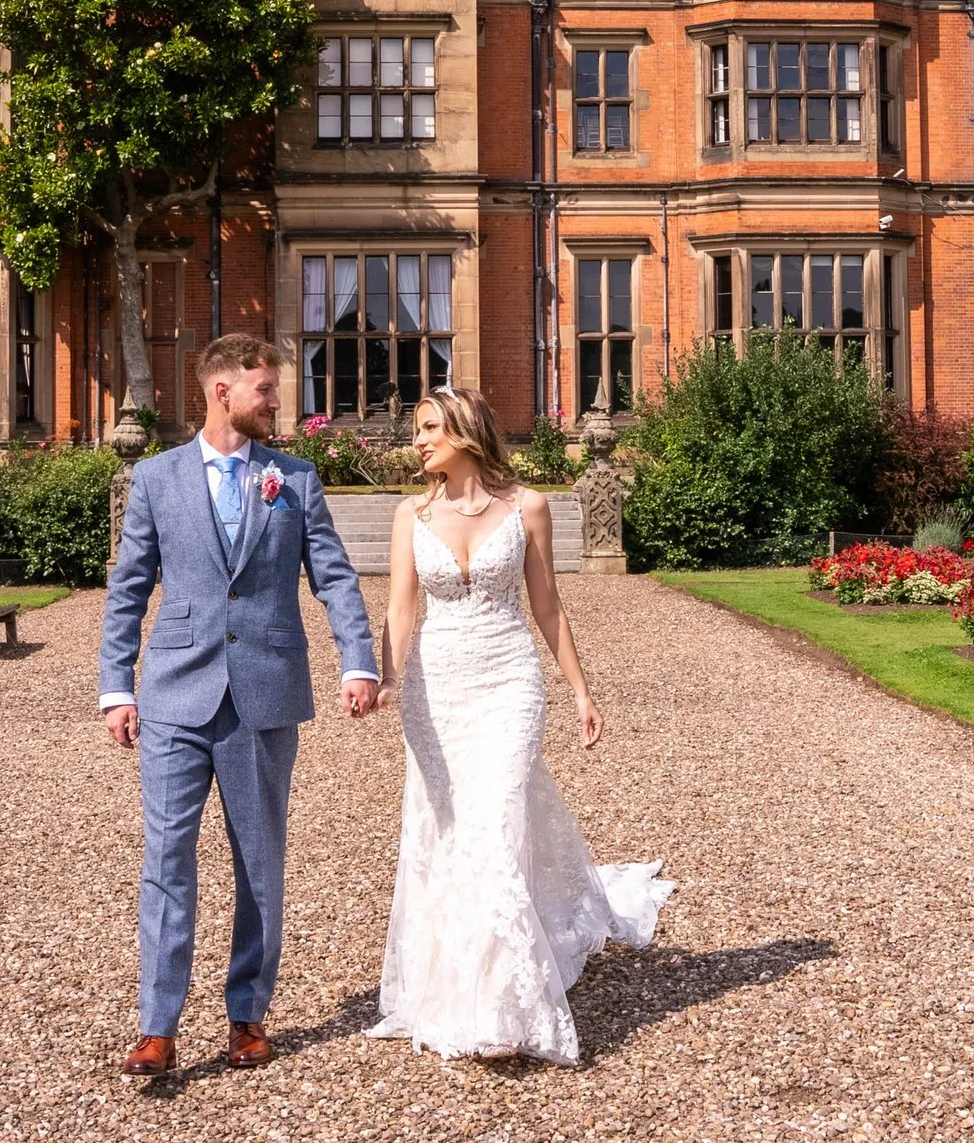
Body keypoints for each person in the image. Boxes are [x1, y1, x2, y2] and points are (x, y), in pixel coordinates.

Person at [98, 333, 382, 1077]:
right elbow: (128, 589)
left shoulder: (295, 479)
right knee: (166, 858)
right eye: (266, 390)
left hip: (264, 691)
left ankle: (247, 1015)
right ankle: (157, 1026)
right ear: (222, 391)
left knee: (259, 862)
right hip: (173, 694)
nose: (278, 402)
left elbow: (335, 576)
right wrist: (116, 687)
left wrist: (358, 659)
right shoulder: (156, 479)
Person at [365, 386, 673, 1065]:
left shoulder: (527, 507)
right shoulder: (410, 516)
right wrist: (386, 679)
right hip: (436, 691)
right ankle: (456, 987)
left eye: (427, 429)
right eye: (417, 431)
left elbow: (549, 606)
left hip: (509, 682)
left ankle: (503, 1006)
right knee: (454, 835)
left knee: (498, 829)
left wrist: (581, 692)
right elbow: (399, 611)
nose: (416, 442)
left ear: (466, 431)